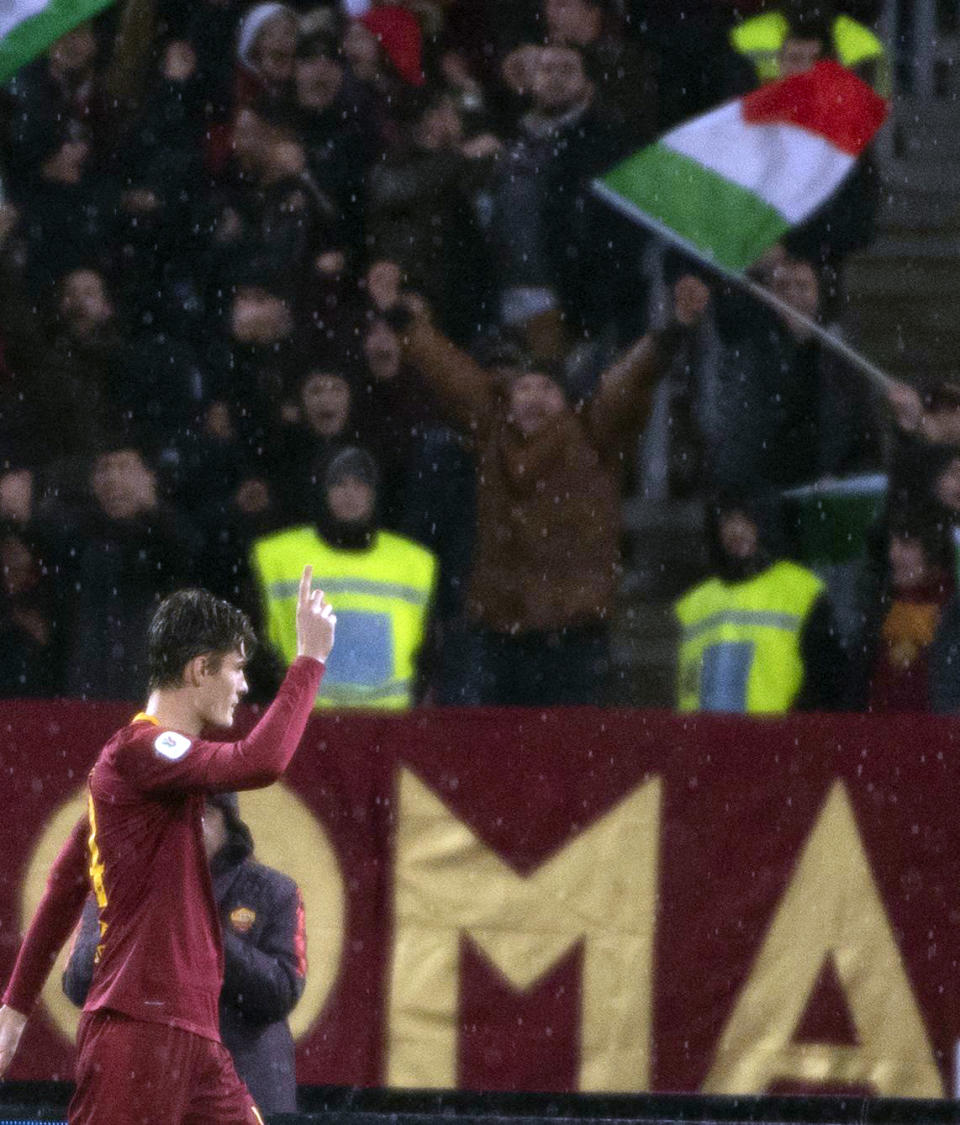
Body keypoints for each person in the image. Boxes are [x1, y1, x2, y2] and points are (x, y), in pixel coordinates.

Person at [0, 566, 336, 1125]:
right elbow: (261, 761)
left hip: (192, 1037)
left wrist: (13, 1010)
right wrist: (310, 662)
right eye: (236, 668)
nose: (244, 685)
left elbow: (64, 885)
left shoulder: (139, 775)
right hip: (143, 1030)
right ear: (199, 668)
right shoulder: (139, 752)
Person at [386, 276, 708, 705]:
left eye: (547, 388)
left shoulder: (596, 434)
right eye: (523, 388)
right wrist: (405, 322)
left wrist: (671, 332)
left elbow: (629, 380)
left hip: (573, 640)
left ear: (569, 400)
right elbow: (452, 376)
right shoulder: (492, 431)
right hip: (498, 638)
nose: (532, 398)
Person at [63, 791, 305, 1113]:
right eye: (174, 815)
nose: (188, 827)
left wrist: (200, 931)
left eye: (202, 814)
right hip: (142, 1092)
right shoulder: (118, 886)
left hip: (247, 1091)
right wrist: (134, 923)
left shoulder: (275, 892)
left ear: (228, 823)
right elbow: (78, 983)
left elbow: (281, 993)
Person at [251, 446, 436, 709]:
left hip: (389, 726)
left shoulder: (415, 563)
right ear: (322, 491)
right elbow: (254, 648)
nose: (350, 494)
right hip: (304, 725)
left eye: (360, 484)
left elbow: (429, 654)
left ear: (375, 492)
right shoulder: (276, 557)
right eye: (338, 483)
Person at [675, 491, 849, 713]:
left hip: (777, 741)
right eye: (727, 520)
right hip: (707, 740)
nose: (736, 531)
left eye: (746, 519)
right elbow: (686, 688)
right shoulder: (695, 603)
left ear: (765, 523)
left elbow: (827, 680)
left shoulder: (801, 590)